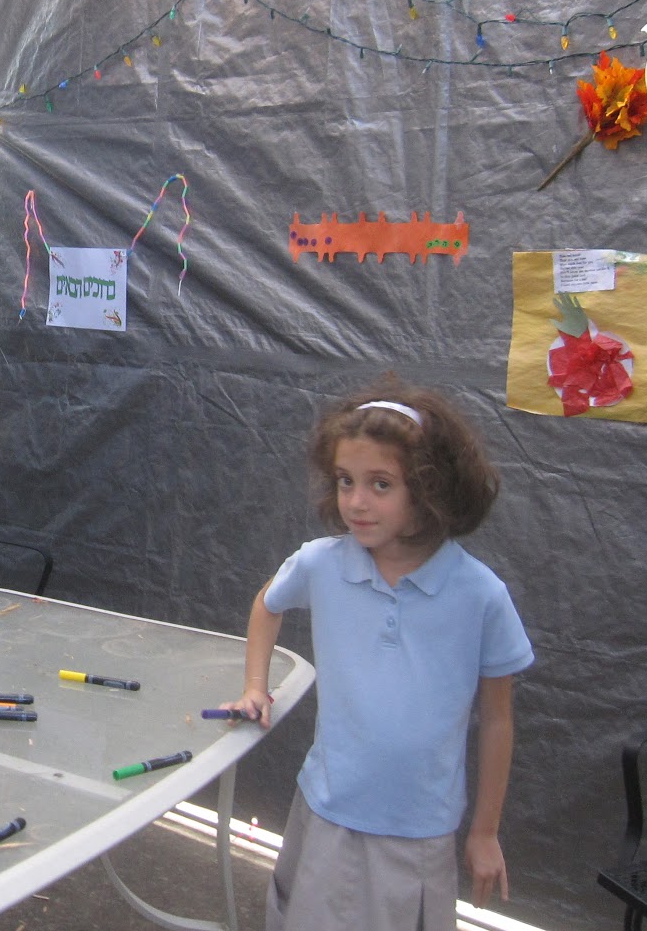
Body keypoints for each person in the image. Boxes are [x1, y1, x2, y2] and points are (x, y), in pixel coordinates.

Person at [229, 381, 533, 931]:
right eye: (345, 480)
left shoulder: (480, 595)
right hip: (326, 809)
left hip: (419, 832)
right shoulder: (321, 564)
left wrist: (485, 831)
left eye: (381, 484)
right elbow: (267, 604)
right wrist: (256, 685)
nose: (356, 501)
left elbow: (497, 719)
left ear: (430, 488)